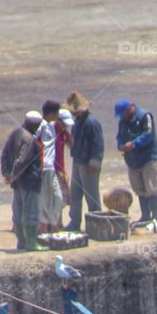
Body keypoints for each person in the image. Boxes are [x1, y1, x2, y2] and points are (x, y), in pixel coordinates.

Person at [0, 110, 43, 251]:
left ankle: (21, 243)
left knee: (17, 211)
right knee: (30, 212)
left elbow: (4, 154)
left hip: (17, 183)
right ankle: (31, 243)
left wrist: (7, 173)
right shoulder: (29, 139)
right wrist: (13, 174)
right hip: (29, 181)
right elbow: (22, 161)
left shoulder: (15, 133)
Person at [115, 97, 157, 224]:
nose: (122, 117)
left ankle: (156, 217)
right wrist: (120, 145)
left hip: (148, 157)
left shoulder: (145, 115)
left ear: (129, 108)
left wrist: (134, 143)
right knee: (139, 188)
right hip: (132, 160)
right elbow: (119, 136)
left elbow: (149, 134)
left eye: (122, 114)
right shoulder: (122, 121)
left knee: (152, 188)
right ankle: (145, 215)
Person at [65, 91, 104, 230]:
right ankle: (74, 222)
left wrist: (94, 161)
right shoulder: (78, 121)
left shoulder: (92, 122)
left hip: (88, 163)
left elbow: (98, 144)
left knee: (91, 195)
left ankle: (97, 223)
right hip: (78, 160)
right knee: (75, 193)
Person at [36, 100, 64, 235]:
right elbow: (32, 140)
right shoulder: (40, 127)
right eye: (56, 114)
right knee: (45, 200)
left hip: (51, 169)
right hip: (44, 168)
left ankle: (53, 224)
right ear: (52, 113)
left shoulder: (52, 125)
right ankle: (43, 229)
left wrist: (69, 136)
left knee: (58, 199)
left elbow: (63, 126)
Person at [54, 107, 74, 212]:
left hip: (60, 170)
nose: (66, 125)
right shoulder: (50, 131)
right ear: (58, 120)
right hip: (52, 170)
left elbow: (71, 145)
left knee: (63, 198)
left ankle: (57, 222)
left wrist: (67, 133)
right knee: (56, 198)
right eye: (64, 123)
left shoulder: (63, 133)